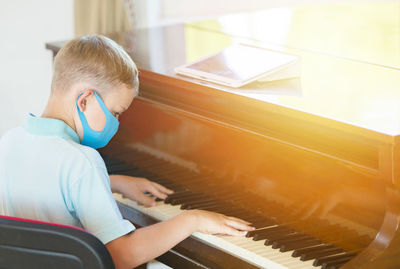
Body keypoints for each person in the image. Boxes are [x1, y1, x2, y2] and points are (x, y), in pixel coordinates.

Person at [0, 35, 254, 269]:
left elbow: (46, 184)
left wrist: (112, 182)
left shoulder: (10, 141)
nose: (117, 124)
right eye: (115, 112)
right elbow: (122, 255)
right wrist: (192, 220)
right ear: (84, 100)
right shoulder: (83, 162)